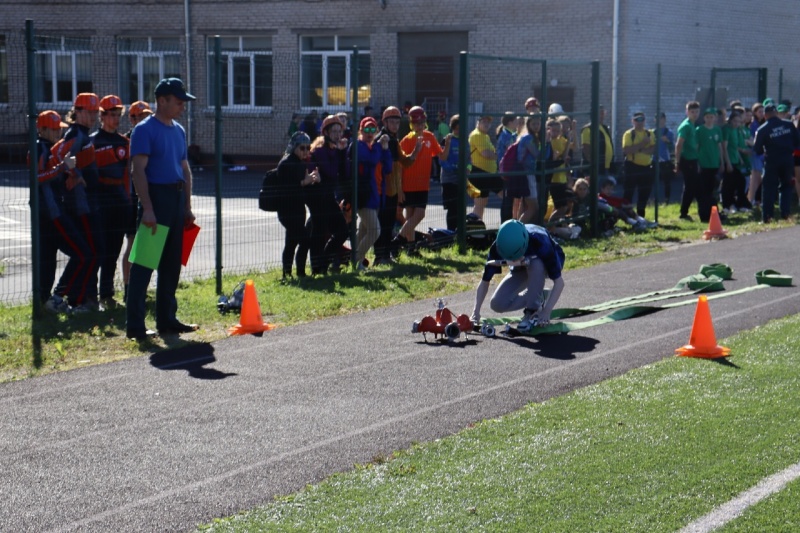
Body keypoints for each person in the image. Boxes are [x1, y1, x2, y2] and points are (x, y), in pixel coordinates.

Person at [126, 78, 198, 340]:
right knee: (144, 265)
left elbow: (185, 169)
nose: (182, 106)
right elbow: (138, 171)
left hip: (176, 200)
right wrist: (147, 209)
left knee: (171, 265)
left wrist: (187, 207)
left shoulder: (178, 130)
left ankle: (167, 320)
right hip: (156, 199)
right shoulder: (144, 130)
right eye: (178, 102)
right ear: (162, 101)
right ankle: (135, 326)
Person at [30, 110, 86, 314]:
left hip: (51, 210)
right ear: (42, 129)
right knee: (82, 253)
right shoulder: (38, 148)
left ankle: (46, 301)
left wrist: (72, 176)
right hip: (50, 212)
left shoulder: (49, 148)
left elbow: (53, 175)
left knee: (49, 258)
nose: (57, 133)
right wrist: (63, 167)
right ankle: (56, 297)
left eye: (58, 129)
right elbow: (38, 177)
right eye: (53, 129)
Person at [51, 93, 103, 313]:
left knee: (93, 252)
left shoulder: (83, 133)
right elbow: (58, 155)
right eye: (89, 112)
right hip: (81, 204)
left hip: (88, 202)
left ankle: (76, 297)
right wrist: (73, 175)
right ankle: (74, 299)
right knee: (90, 252)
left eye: (95, 112)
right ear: (78, 111)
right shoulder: (75, 133)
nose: (93, 116)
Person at [470, 220, 565, 333]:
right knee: (497, 304)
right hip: (519, 267)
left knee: (536, 264)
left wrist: (546, 312)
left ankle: (532, 311)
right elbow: (485, 281)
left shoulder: (540, 241)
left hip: (543, 263)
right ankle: (539, 296)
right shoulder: (498, 245)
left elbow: (559, 283)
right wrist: (475, 312)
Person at [91, 95, 131, 309]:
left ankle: (106, 294)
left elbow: (128, 175)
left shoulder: (125, 143)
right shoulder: (93, 141)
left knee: (113, 251)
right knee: (98, 250)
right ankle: (89, 295)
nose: (115, 119)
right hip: (99, 203)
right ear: (102, 116)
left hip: (119, 203)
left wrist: (127, 199)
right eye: (111, 115)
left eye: (118, 115)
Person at [392, 106, 442, 255]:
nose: (419, 126)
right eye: (416, 123)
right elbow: (400, 167)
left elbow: (440, 155)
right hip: (409, 184)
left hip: (423, 185)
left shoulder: (430, 136)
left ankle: (409, 247)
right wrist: (400, 189)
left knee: (412, 217)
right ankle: (401, 242)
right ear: (411, 124)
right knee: (416, 215)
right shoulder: (406, 141)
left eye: (421, 123)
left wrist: (448, 144)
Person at [373, 106, 420, 264]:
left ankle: (386, 255)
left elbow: (403, 161)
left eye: (397, 122)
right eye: (392, 122)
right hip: (383, 190)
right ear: (385, 122)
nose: (395, 125)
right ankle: (380, 256)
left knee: (388, 224)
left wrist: (415, 152)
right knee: (382, 224)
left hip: (392, 190)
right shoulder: (382, 139)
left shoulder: (394, 139)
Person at [307, 115, 349, 274]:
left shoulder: (335, 150)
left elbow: (345, 173)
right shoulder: (319, 151)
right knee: (318, 232)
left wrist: (343, 152)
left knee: (342, 231)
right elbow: (331, 172)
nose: (338, 135)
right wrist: (339, 153)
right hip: (317, 198)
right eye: (334, 131)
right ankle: (317, 269)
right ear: (326, 133)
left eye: (340, 131)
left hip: (329, 197)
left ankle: (323, 262)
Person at [121, 100, 153, 302]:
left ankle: (140, 288)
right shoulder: (127, 140)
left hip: (148, 196)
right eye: (140, 116)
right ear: (132, 119)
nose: (144, 119)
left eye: (146, 115)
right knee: (133, 244)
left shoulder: (149, 136)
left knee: (148, 245)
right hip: (132, 198)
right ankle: (128, 287)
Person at [350, 117, 392, 270]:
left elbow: (388, 168)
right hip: (363, 195)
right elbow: (371, 160)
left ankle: (353, 259)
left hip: (376, 195)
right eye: (366, 129)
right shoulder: (358, 146)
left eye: (372, 130)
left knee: (364, 231)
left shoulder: (376, 147)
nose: (369, 133)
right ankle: (356, 259)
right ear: (360, 131)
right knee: (375, 231)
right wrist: (379, 147)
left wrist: (386, 148)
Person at [276, 131, 318, 279]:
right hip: (288, 211)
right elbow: (286, 187)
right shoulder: (286, 163)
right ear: (294, 147)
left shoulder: (299, 163)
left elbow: (303, 187)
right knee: (305, 241)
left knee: (291, 242)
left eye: (308, 148)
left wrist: (313, 180)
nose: (306, 151)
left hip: (298, 210)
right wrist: (304, 182)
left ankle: (287, 274)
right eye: (302, 148)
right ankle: (299, 273)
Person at [753, 101, 800, 222]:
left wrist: (765, 151)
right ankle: (785, 213)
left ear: (765, 115)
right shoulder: (789, 125)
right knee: (786, 186)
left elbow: (757, 149)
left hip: (772, 160)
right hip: (787, 159)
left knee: (769, 188)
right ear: (776, 113)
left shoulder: (762, 129)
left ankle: (767, 216)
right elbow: (797, 142)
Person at [621, 112, 655, 218]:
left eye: (642, 120)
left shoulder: (650, 133)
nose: (639, 123)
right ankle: (627, 216)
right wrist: (642, 145)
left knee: (644, 193)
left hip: (646, 167)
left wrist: (638, 149)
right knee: (629, 193)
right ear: (633, 121)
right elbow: (627, 150)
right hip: (632, 166)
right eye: (637, 120)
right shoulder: (629, 134)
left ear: (645, 121)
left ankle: (641, 216)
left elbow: (652, 149)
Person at [468, 114, 502, 220]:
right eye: (484, 121)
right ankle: (474, 226)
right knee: (480, 202)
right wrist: (498, 155)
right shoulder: (477, 135)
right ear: (478, 123)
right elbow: (486, 154)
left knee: (482, 202)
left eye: (488, 122)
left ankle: (475, 224)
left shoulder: (485, 136)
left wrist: (494, 154)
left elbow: (491, 152)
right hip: (479, 173)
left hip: (488, 173)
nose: (487, 124)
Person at [439, 114, 468, 230]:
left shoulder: (465, 141)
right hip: (449, 180)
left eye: (461, 128)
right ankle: (450, 234)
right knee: (452, 208)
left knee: (461, 208)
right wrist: (455, 168)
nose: (459, 131)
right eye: (457, 129)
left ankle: (460, 232)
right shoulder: (447, 140)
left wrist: (467, 170)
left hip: (461, 180)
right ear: (453, 127)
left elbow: (469, 159)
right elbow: (442, 161)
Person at [695, 107, 724, 223]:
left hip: (714, 164)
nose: (709, 119)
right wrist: (697, 163)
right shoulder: (699, 130)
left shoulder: (717, 130)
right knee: (704, 191)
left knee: (714, 191)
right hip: (704, 164)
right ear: (704, 118)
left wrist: (722, 161)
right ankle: (704, 214)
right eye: (707, 117)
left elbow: (719, 146)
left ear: (715, 118)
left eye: (712, 117)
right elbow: (696, 148)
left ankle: (714, 214)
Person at [720, 110, 751, 214]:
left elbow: (735, 147)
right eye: (735, 121)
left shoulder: (736, 130)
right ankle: (726, 206)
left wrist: (740, 159)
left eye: (739, 122)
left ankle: (738, 204)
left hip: (735, 160)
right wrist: (728, 163)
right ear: (730, 120)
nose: (736, 124)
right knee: (728, 184)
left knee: (740, 182)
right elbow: (724, 147)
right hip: (729, 160)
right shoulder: (727, 130)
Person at [675, 100, 701, 221]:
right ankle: (683, 212)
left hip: (693, 158)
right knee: (690, 186)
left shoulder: (692, 124)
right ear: (687, 112)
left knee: (692, 186)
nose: (695, 114)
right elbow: (679, 144)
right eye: (692, 112)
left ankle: (687, 210)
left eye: (696, 112)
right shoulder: (685, 126)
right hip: (687, 160)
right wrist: (677, 162)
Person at [581, 104, 614, 179]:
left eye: (603, 112)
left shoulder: (604, 127)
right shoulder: (588, 129)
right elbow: (586, 149)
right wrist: (594, 165)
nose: (602, 114)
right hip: (595, 168)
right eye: (600, 112)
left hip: (606, 166)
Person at [496, 112, 518, 222]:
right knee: (507, 200)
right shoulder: (506, 136)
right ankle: (505, 223)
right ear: (510, 122)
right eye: (516, 120)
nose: (517, 122)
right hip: (507, 172)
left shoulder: (512, 135)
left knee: (510, 199)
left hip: (512, 171)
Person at [654, 112, 675, 204]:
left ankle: (667, 200)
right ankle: (655, 200)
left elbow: (672, 148)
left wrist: (667, 141)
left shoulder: (669, 132)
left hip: (665, 160)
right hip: (654, 160)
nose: (660, 121)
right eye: (658, 119)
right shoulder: (652, 132)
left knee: (667, 181)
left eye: (662, 118)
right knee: (655, 182)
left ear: (665, 119)